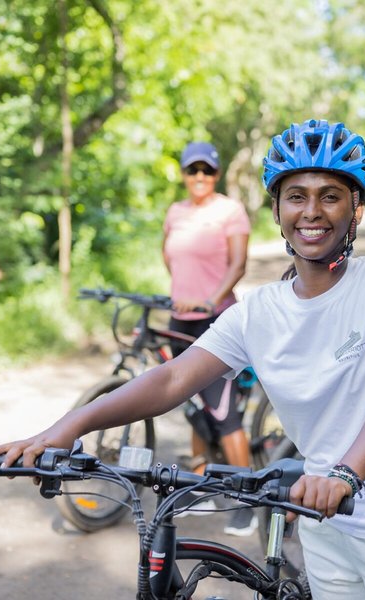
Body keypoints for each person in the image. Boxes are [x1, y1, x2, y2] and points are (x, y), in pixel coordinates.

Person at [0, 118, 365, 599]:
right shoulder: (259, 311)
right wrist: (69, 427)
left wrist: (344, 475)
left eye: (330, 195)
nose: (312, 211)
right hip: (326, 530)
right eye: (296, 196)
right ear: (277, 209)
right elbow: (174, 377)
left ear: (356, 209)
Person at [162, 140, 254, 536]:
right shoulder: (175, 212)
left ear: (216, 174)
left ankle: (250, 500)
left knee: (222, 410)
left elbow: (238, 263)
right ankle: (199, 487)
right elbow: (169, 256)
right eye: (192, 170)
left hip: (216, 319)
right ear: (183, 174)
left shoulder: (229, 210)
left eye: (207, 170)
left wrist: (210, 299)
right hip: (180, 319)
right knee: (193, 401)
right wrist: (181, 292)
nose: (199, 177)